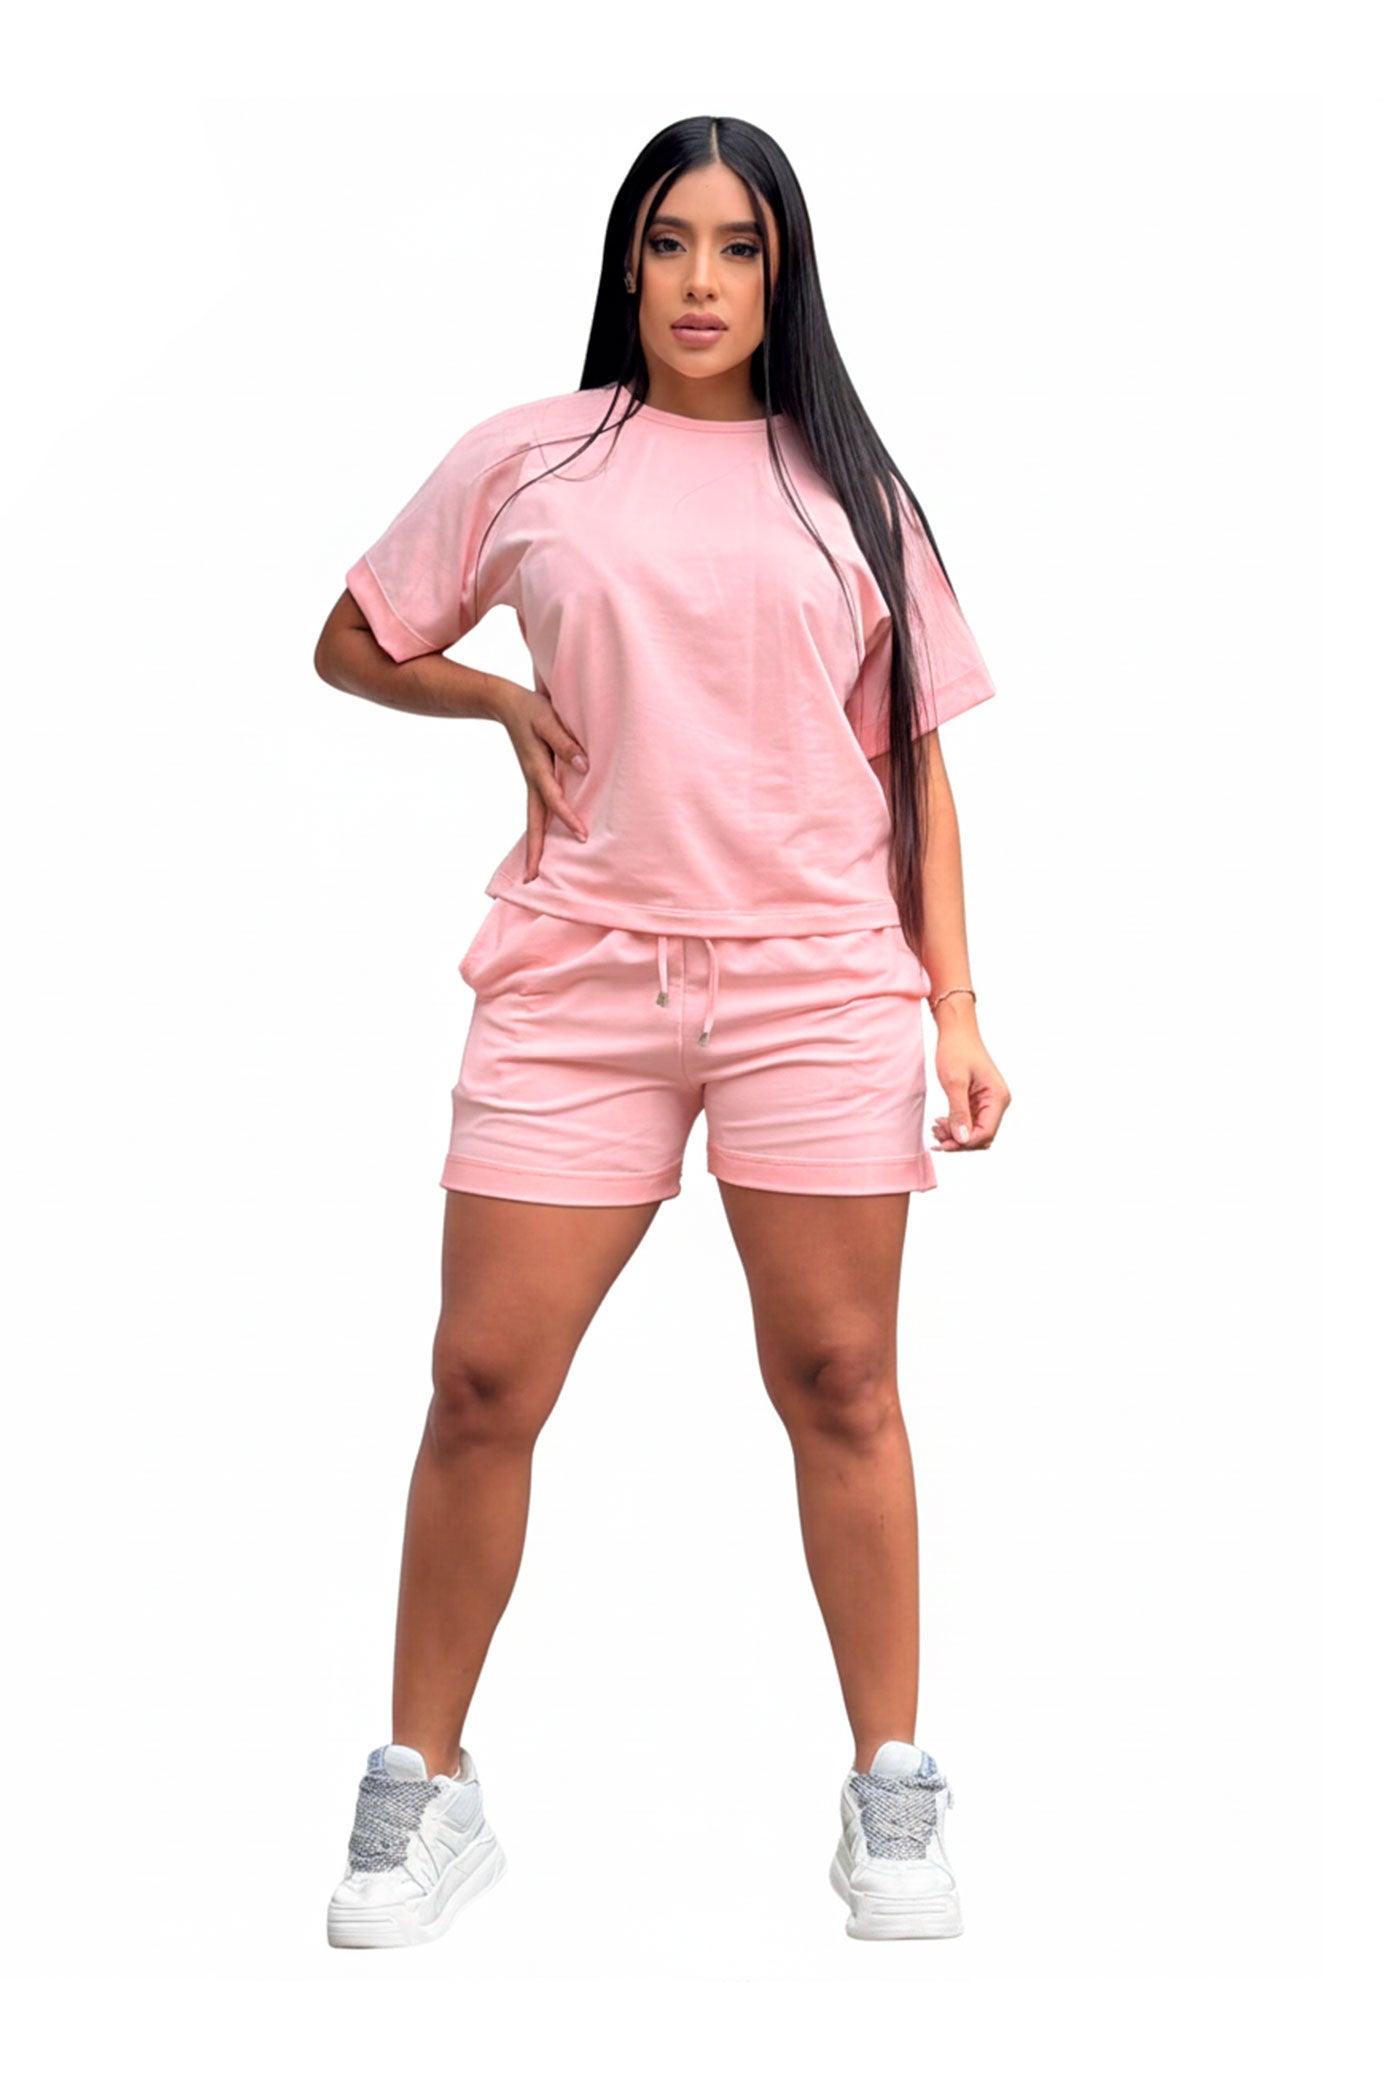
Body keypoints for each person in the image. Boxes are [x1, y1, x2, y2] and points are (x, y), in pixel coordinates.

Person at [313, 114, 1011, 1949]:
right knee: (482, 1384)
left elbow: (916, 777)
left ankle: (892, 1788)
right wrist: (490, 697)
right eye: (672, 242)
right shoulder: (533, 454)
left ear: (786, 274)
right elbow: (352, 636)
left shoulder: (852, 491)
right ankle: (423, 1784)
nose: (703, 281)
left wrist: (956, 1010)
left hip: (814, 982)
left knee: (842, 1382)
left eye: (741, 247)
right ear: (628, 261)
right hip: (579, 982)